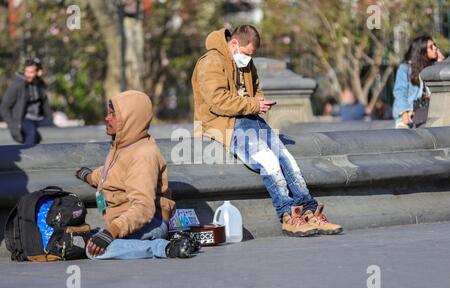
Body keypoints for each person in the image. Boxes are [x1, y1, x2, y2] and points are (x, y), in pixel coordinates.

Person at [191, 25, 343, 237]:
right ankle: (288, 216)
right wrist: (254, 105)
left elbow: (256, 89)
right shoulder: (210, 62)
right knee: (268, 161)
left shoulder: (245, 61)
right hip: (224, 124)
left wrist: (260, 101)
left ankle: (309, 211)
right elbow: (217, 102)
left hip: (249, 119)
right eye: (246, 53)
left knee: (287, 159)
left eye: (251, 55)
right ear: (234, 43)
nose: (248, 59)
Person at [75, 90, 197, 259]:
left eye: (113, 114)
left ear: (130, 119)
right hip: (128, 222)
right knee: (87, 238)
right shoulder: (122, 146)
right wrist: (88, 176)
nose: (107, 118)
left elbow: (143, 209)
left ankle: (165, 248)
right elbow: (110, 175)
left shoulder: (143, 155)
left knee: (93, 250)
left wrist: (111, 231)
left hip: (149, 224)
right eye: (108, 113)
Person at [393, 35, 445, 128]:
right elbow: (400, 92)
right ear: (422, 51)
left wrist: (441, 62)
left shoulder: (433, 66)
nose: (435, 48)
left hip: (432, 111)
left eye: (435, 45)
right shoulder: (405, 68)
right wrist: (404, 113)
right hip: (412, 113)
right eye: (431, 47)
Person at [0, 58, 54, 145]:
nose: (28, 75)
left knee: (56, 131)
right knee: (31, 132)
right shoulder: (18, 85)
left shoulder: (40, 85)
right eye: (26, 71)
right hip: (23, 119)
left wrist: (50, 119)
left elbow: (45, 105)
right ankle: (30, 156)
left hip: (39, 119)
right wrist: (12, 125)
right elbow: (4, 107)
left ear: (37, 72)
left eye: (31, 72)